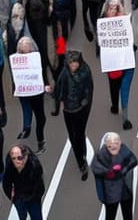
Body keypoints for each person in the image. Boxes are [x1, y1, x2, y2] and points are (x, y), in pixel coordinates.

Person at [54, 50, 94, 181]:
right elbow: (59, 87)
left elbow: (89, 89)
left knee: (79, 133)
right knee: (72, 136)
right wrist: (55, 97)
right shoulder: (65, 72)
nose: (73, 65)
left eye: (75, 62)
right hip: (68, 109)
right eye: (71, 62)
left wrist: (84, 101)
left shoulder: (85, 72)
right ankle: (81, 159)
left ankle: (82, 157)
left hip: (80, 109)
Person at [101, 0, 135, 130]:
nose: (114, 9)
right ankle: (115, 104)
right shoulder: (104, 23)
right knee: (114, 87)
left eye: (116, 7)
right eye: (111, 7)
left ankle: (125, 118)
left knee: (125, 90)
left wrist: (121, 11)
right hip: (113, 64)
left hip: (127, 62)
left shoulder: (125, 20)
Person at [12, 36, 48, 155]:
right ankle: (26, 128)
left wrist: (46, 84)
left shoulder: (36, 58)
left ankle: (40, 142)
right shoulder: (16, 61)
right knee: (26, 110)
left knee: (41, 117)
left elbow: (41, 72)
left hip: (36, 93)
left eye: (26, 50)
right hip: (25, 92)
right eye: (22, 51)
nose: (25, 53)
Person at [91, 132, 138, 220]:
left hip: (124, 190)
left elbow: (133, 160)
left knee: (127, 214)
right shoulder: (101, 154)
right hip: (110, 193)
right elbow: (96, 169)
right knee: (110, 215)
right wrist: (110, 172)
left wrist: (121, 170)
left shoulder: (123, 149)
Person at [2, 144, 45, 220]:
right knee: (22, 216)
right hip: (19, 196)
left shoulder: (34, 166)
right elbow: (6, 183)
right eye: (14, 158)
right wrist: (13, 197)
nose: (16, 161)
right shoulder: (10, 164)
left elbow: (39, 186)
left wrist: (34, 197)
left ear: (26, 157)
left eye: (19, 158)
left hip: (32, 196)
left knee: (37, 217)